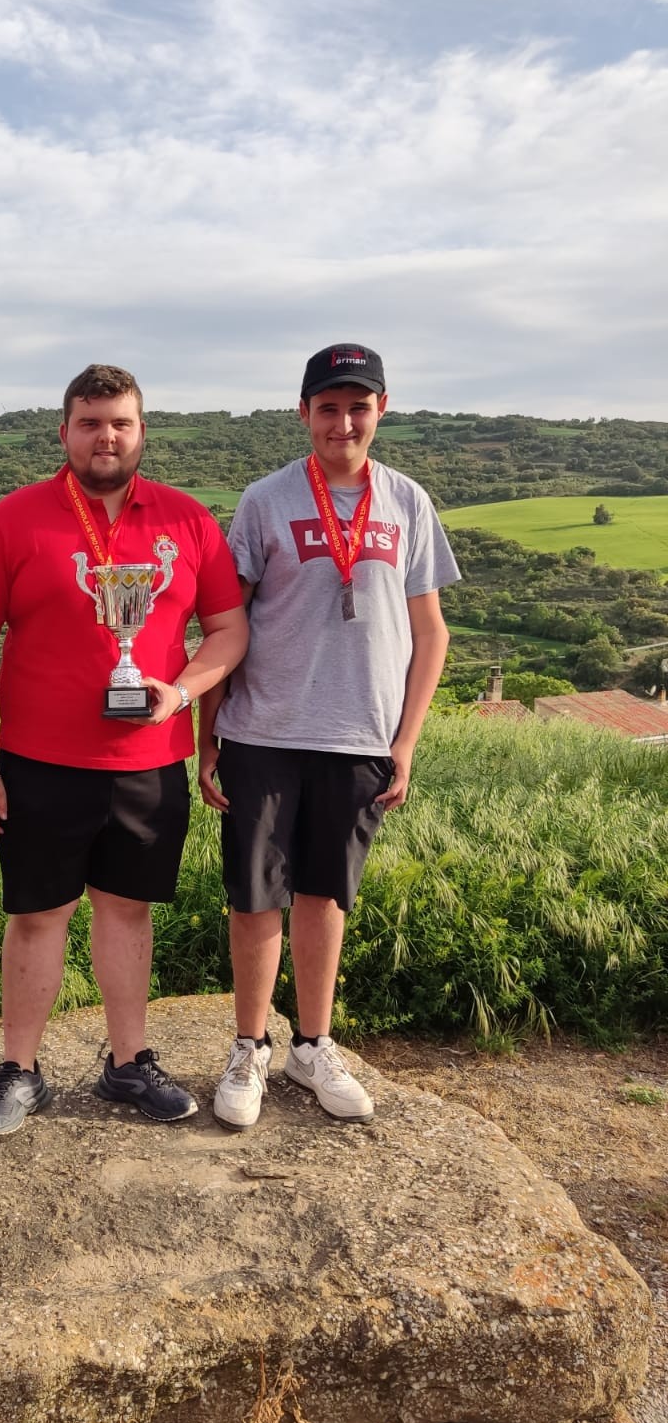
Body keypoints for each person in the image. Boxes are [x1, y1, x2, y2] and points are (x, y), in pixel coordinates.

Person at [0, 363, 248, 1135]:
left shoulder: (188, 521)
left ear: (142, 430)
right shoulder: (14, 519)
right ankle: (19, 1071)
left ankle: (128, 1065)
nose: (105, 436)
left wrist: (180, 695)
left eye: (119, 422)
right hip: (36, 764)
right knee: (36, 917)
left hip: (149, 764)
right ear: (64, 432)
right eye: (89, 423)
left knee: (126, 915)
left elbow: (229, 630)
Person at [199, 344, 458, 1129]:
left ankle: (312, 1043)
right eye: (328, 406)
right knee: (255, 899)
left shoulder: (407, 502)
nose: (343, 421)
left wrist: (405, 742)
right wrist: (206, 740)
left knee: (325, 895)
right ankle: (250, 1046)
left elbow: (431, 633)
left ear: (382, 410)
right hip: (264, 730)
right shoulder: (264, 500)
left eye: (359, 406)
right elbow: (224, 624)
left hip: (359, 736)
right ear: (304, 411)